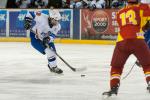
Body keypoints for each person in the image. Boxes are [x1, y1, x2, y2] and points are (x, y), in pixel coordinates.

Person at [102, 0, 150, 97]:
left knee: (116, 66)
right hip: (138, 39)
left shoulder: (120, 12)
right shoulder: (142, 8)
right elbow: (146, 23)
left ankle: (114, 88)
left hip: (122, 41)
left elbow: (125, 26)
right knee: (147, 64)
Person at [24, 9, 63, 74]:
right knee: (49, 51)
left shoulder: (58, 26)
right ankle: (54, 67)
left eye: (58, 21)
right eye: (55, 20)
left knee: (53, 52)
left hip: (46, 38)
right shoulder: (41, 17)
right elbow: (30, 13)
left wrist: (48, 39)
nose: (57, 23)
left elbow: (53, 35)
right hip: (35, 39)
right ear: (50, 18)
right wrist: (27, 22)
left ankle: (52, 66)